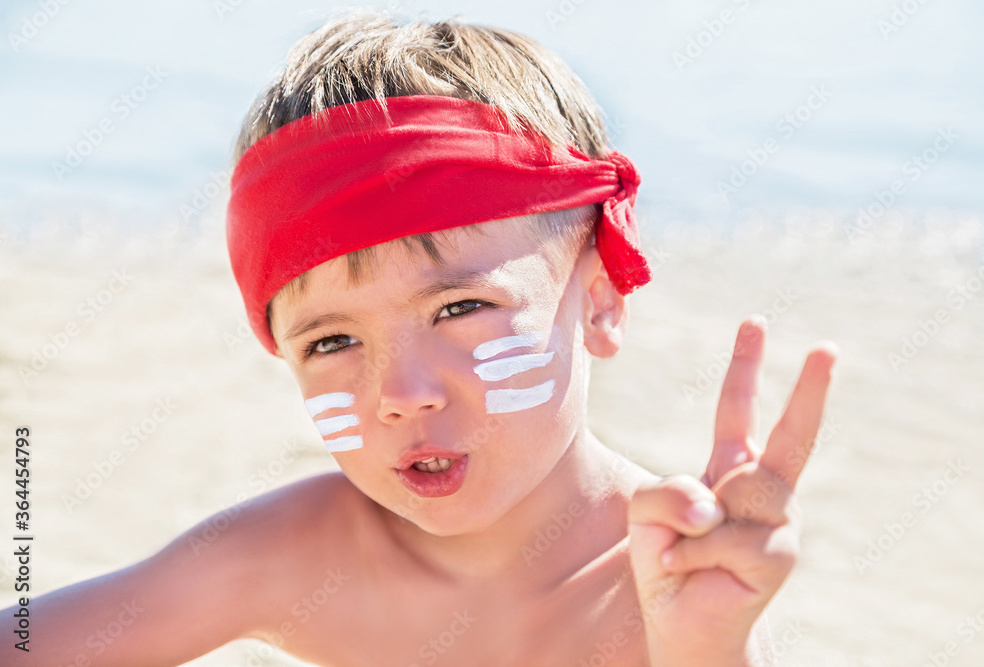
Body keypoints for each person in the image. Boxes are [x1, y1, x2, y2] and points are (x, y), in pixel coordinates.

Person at [3, 8, 836, 665]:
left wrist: (708, 649)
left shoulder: (667, 581)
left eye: (460, 309)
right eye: (331, 342)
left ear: (601, 302)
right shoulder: (291, 557)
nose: (402, 393)